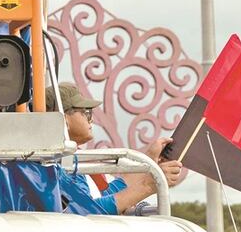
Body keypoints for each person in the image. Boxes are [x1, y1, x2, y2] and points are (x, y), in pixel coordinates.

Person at [45, 83, 183, 214]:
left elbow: (103, 197)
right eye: (85, 112)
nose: (90, 119)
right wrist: (149, 185)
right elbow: (87, 212)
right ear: (64, 119)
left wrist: (148, 162)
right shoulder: (54, 162)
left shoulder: (65, 158)